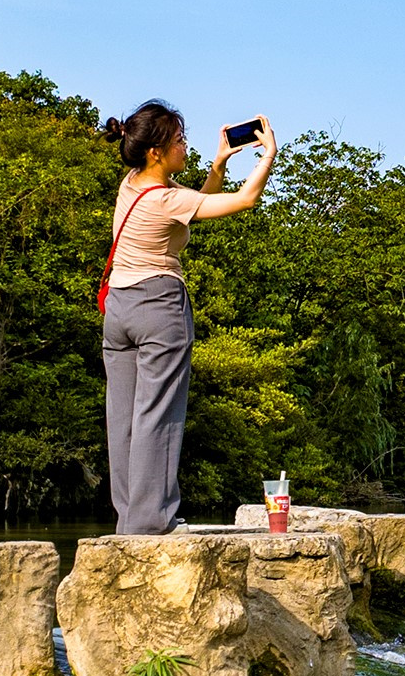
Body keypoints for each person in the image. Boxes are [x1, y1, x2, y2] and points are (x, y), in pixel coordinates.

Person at [101, 101, 279, 535]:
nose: (186, 146)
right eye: (179, 140)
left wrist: (218, 163)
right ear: (156, 152)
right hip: (158, 305)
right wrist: (268, 156)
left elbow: (193, 203)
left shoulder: (133, 185)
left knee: (123, 419)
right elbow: (245, 200)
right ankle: (154, 521)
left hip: (119, 311)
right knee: (158, 415)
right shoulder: (166, 198)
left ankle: (131, 520)